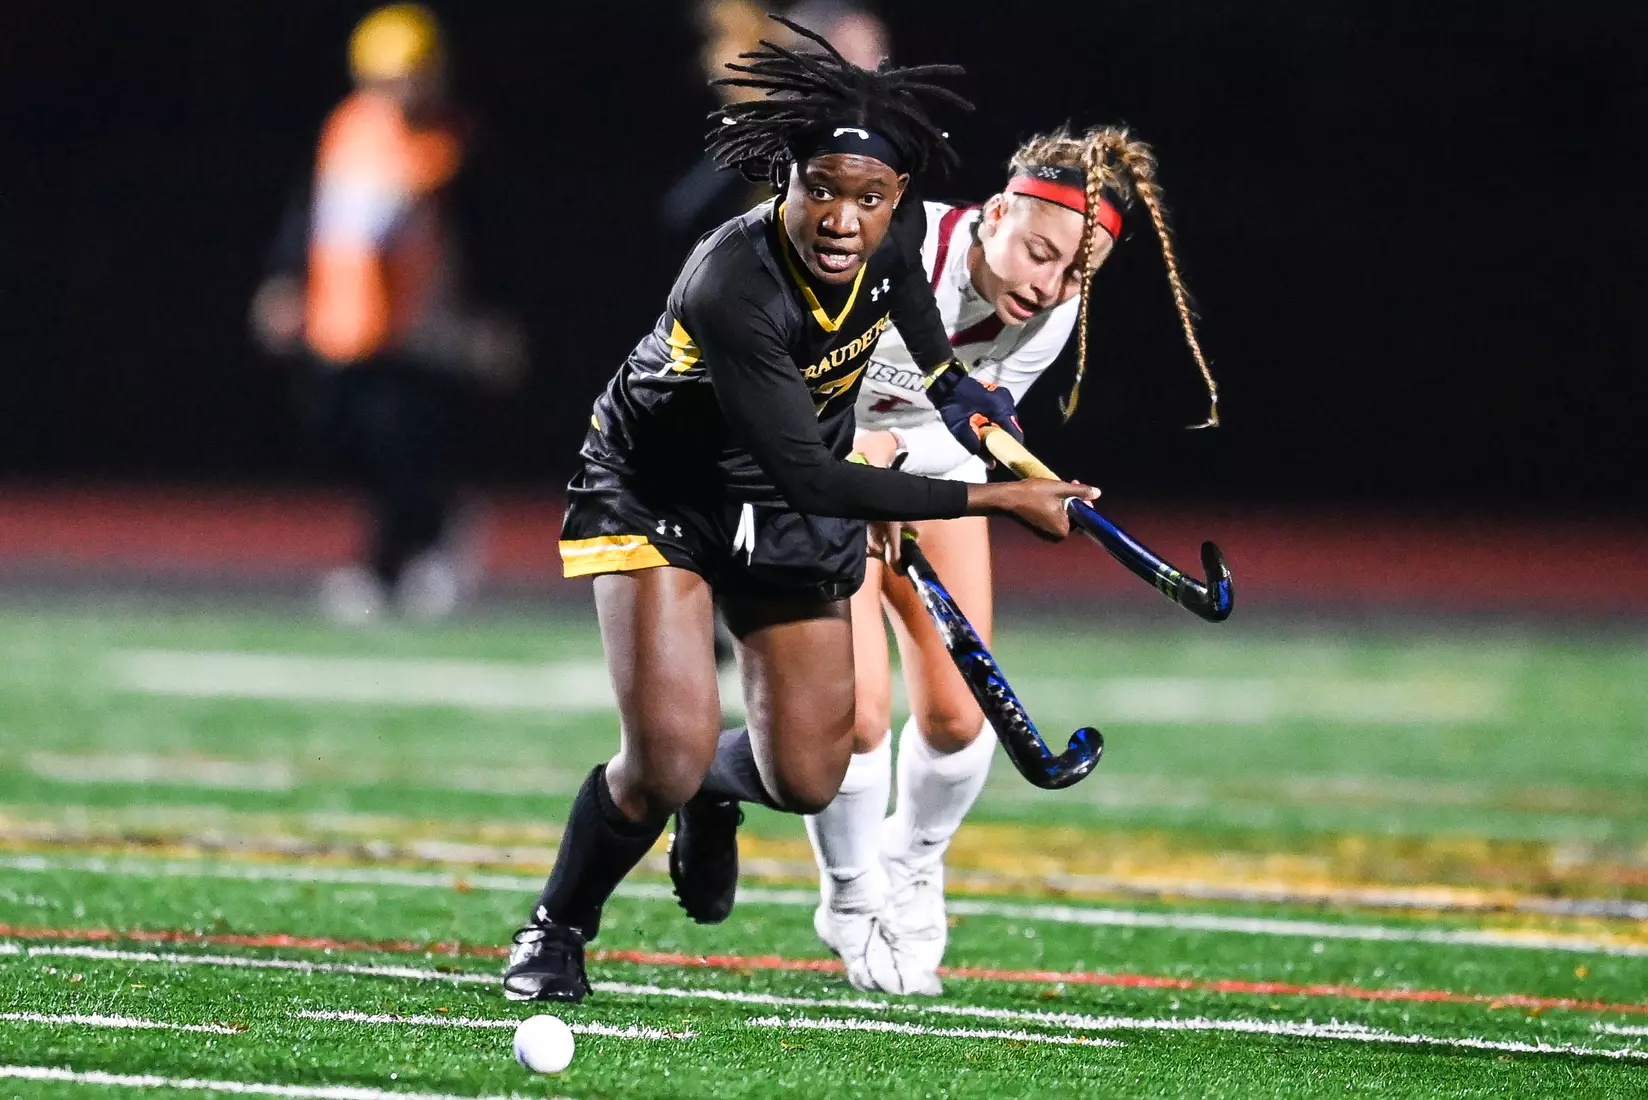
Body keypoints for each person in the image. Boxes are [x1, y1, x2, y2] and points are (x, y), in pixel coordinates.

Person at [501, 16, 1096, 1004]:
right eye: (822, 188)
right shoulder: (733, 283)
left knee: (812, 772)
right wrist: (996, 497)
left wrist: (981, 417)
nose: (842, 219)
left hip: (783, 486)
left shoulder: (893, 240)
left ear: (898, 199)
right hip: (665, 492)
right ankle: (556, 926)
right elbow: (816, 481)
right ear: (786, 177)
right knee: (662, 758)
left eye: (868, 198)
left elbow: (935, 360)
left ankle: (712, 791)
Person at [806, 124, 1219, 994]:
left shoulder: (1054, 310)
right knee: (856, 718)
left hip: (921, 466)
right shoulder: (889, 249)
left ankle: (913, 864)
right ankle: (851, 897)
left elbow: (969, 429)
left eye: (1077, 273)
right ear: (995, 213)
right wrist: (861, 471)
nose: (1051, 285)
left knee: (960, 719)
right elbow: (786, 390)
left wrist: (999, 477)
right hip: (812, 465)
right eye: (1039, 252)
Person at [248, 3, 524, 624]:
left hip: (419, 329)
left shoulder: (452, 142)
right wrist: (286, 280)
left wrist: (490, 315)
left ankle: (397, 563)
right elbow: (312, 211)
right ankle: (416, 542)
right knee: (346, 437)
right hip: (343, 324)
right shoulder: (348, 130)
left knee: (405, 444)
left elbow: (485, 236)